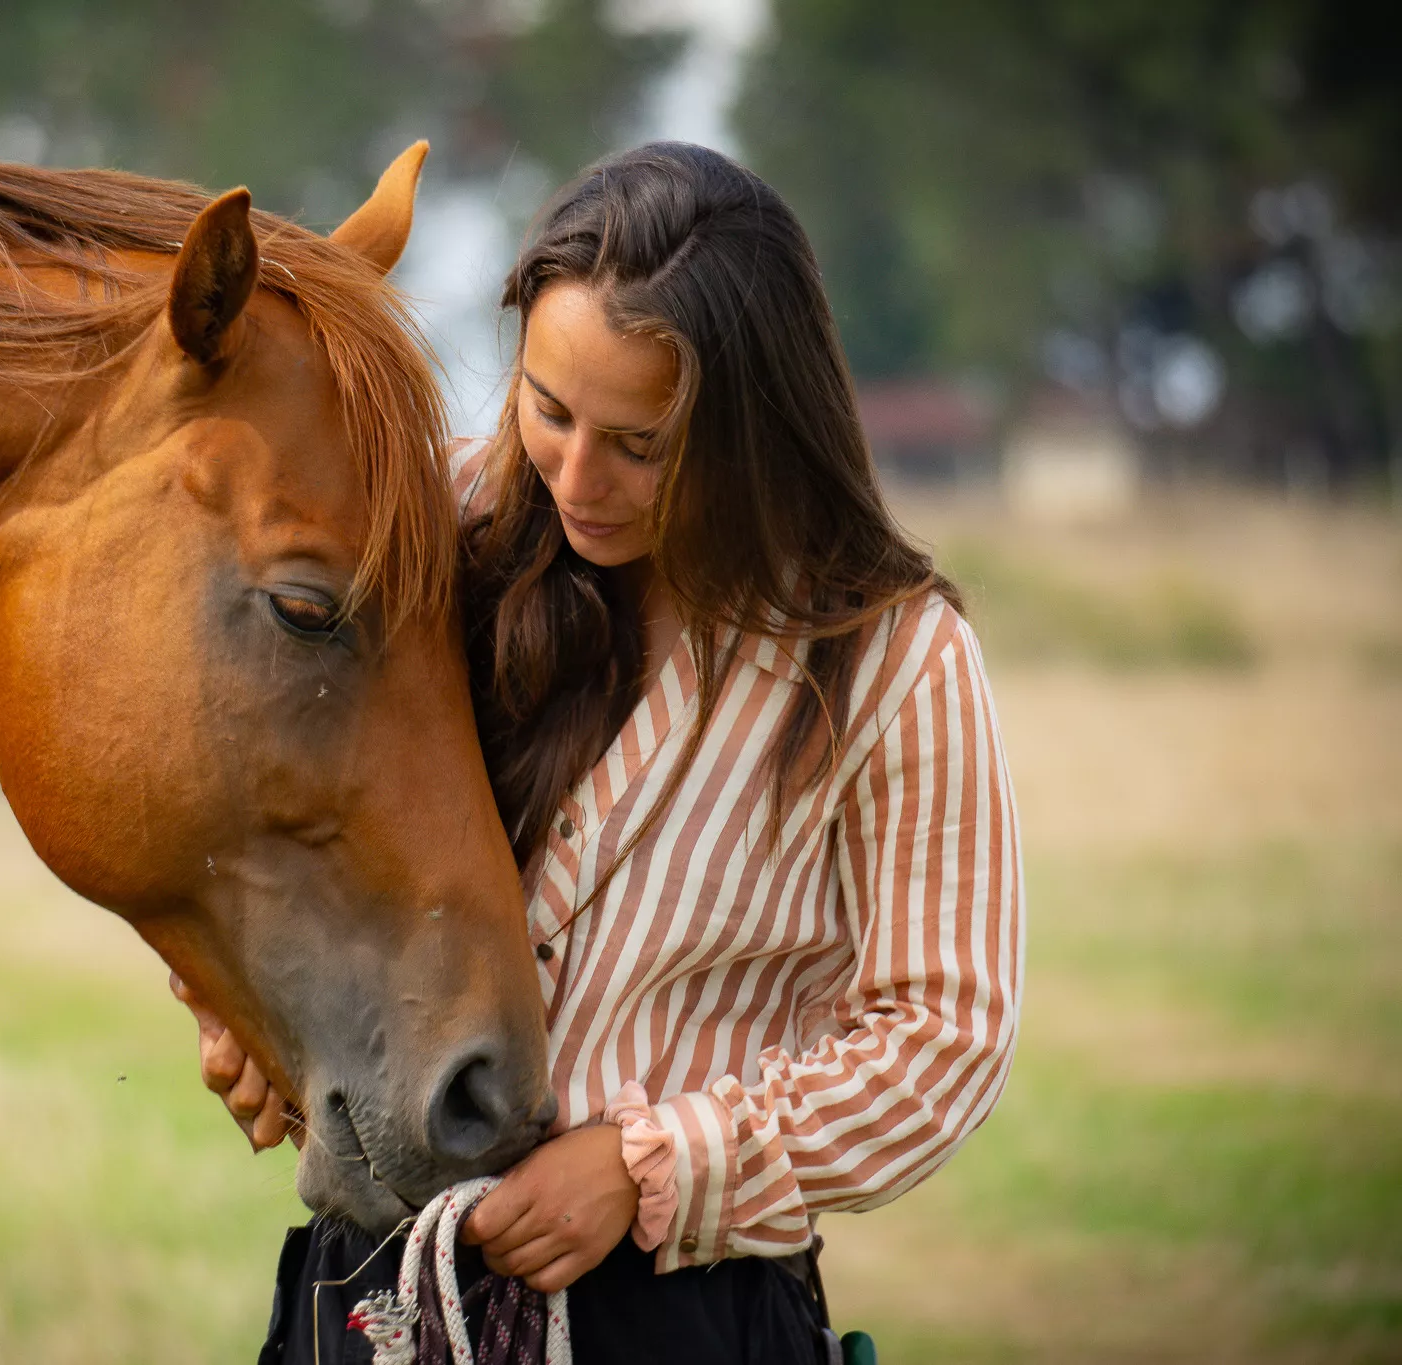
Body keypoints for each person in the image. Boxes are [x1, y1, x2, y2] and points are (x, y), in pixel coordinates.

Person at [177, 141, 1023, 1364]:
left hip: (680, 1319)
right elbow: (242, 780)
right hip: (375, 1288)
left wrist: (651, 1169)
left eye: (640, 444)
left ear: (757, 424)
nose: (577, 478)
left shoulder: (888, 662)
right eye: (548, 409)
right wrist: (231, 1003)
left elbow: (941, 1038)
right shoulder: (432, 534)